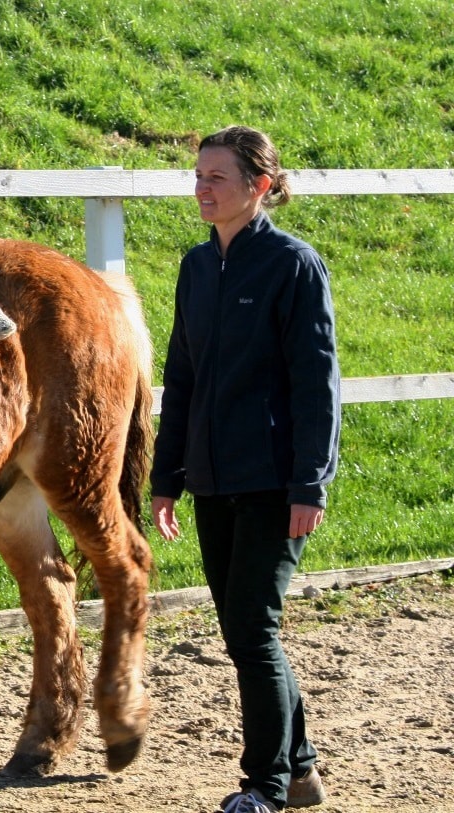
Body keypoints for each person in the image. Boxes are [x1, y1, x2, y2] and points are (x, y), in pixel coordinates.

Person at [150, 126, 340, 813]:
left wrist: (308, 484)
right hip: (212, 479)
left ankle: (263, 783)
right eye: (197, 176)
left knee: (252, 629)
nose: (202, 188)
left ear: (259, 186)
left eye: (217, 178)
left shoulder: (294, 265)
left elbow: (316, 384)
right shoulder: (196, 268)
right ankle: (302, 771)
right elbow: (184, 374)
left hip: (274, 480)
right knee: (243, 630)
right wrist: (167, 475)